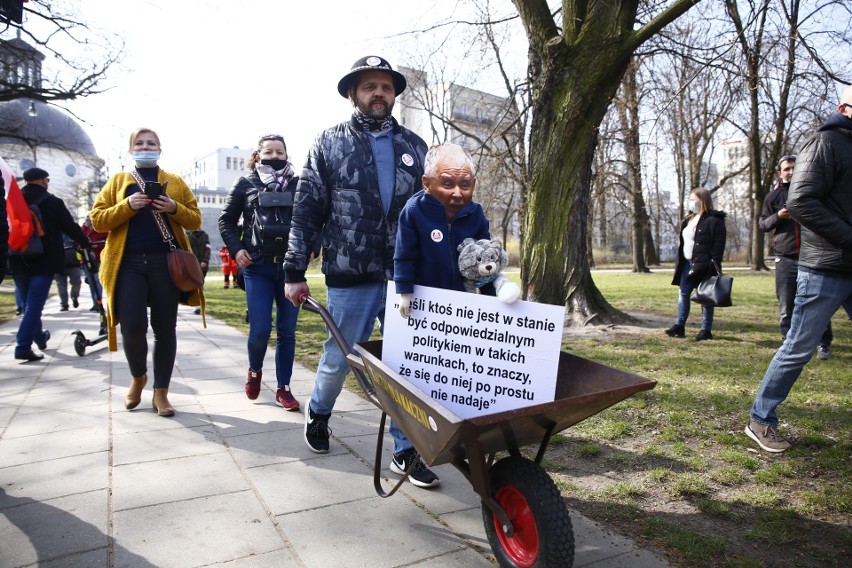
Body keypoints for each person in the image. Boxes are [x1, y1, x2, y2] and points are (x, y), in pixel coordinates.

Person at [284, 56, 439, 488]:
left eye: (386, 87)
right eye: (369, 86)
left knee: (407, 365)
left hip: (405, 279)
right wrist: (295, 269)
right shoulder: (329, 143)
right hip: (351, 273)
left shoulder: (415, 146)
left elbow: (430, 214)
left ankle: (405, 452)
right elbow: (307, 208)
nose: (379, 93)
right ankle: (318, 414)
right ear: (354, 93)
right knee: (338, 359)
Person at [745, 86, 852, 453]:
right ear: (845, 108)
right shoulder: (825, 143)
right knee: (798, 347)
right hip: (825, 268)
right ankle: (761, 419)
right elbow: (802, 202)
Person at [90, 127, 203, 417]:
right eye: (139, 143)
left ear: (160, 148)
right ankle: (138, 377)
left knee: (165, 329)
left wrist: (174, 207)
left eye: (151, 143)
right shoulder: (118, 181)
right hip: (126, 264)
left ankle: (161, 392)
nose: (145, 147)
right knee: (132, 327)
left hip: (165, 263)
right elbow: (98, 220)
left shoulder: (174, 181)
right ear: (131, 150)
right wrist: (127, 205)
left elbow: (194, 220)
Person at [219, 134, 301, 411]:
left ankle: (284, 388)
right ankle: (255, 371)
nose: (275, 156)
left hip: (290, 269)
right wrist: (237, 249)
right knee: (261, 329)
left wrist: (311, 246)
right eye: (269, 151)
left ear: (287, 155)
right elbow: (226, 221)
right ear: (258, 155)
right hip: (257, 267)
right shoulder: (245, 183)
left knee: (287, 331)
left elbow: (312, 219)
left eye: (280, 152)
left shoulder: (298, 184)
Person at [395, 143, 517, 316]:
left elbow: (486, 260)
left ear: (473, 184)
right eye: (447, 184)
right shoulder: (414, 211)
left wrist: (490, 300)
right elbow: (404, 256)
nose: (458, 193)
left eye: (465, 185)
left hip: (462, 304)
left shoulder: (476, 214)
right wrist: (405, 291)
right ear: (427, 183)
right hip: (425, 302)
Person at [10, 167, 90, 361]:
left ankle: (39, 337)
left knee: (30, 303)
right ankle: (22, 346)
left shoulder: (12, 201)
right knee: (35, 304)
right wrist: (85, 241)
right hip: (43, 260)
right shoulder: (52, 202)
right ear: (44, 180)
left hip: (17, 258)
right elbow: (69, 226)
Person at [759, 155, 833, 359]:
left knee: (818, 302)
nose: (791, 172)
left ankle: (823, 343)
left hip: (814, 256)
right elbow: (763, 225)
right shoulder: (772, 197)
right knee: (786, 305)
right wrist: (778, 217)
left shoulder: (813, 193)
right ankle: (787, 342)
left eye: (794, 167)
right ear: (779, 173)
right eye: (787, 169)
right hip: (785, 257)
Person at [664, 188, 727, 341]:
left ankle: (706, 329)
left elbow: (719, 244)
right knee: (683, 293)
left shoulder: (714, 220)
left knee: (705, 296)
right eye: (690, 199)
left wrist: (714, 262)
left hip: (704, 264)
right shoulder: (689, 219)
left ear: (702, 200)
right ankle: (679, 325)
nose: (690, 202)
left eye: (693, 199)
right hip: (686, 263)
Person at [81, 215, 108, 311]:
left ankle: (98, 302)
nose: (89, 220)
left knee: (97, 280)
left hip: (99, 258)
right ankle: (95, 303)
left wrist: (98, 246)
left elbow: (108, 242)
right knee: (91, 282)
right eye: (87, 218)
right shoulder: (83, 229)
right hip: (87, 259)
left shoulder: (101, 228)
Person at [54, 233, 83, 311]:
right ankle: (64, 304)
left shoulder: (72, 232)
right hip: (58, 265)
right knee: (61, 285)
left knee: (77, 283)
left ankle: (74, 297)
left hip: (74, 264)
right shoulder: (53, 233)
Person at [187, 228, 211, 314]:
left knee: (200, 284)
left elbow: (208, 249)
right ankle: (196, 305)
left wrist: (205, 261)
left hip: (203, 265)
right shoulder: (187, 235)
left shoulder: (205, 235)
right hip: (192, 264)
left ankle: (198, 304)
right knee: (194, 284)